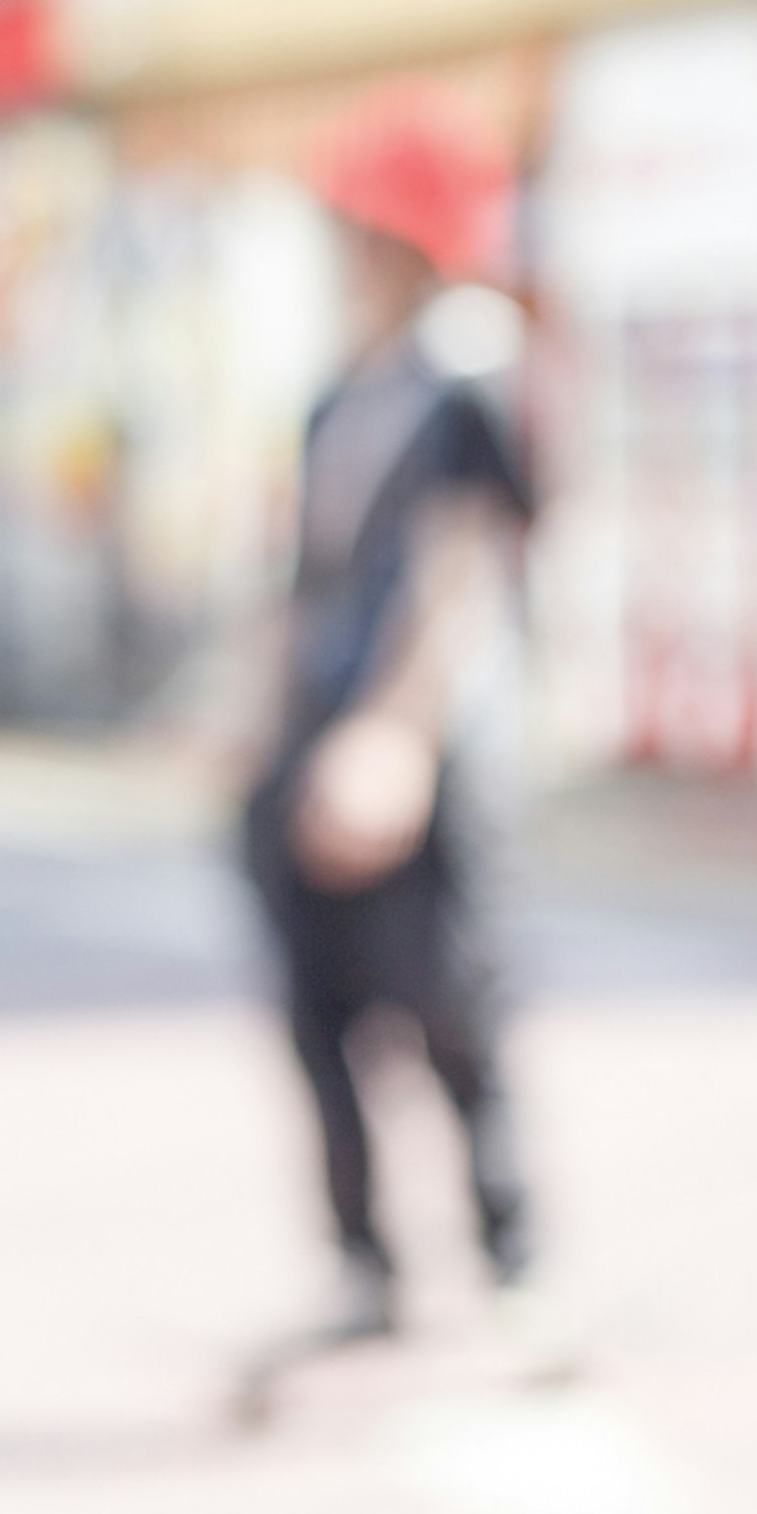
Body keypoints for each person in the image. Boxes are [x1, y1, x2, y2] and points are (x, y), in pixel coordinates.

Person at [231, 85, 540, 1399]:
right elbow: (301, 584)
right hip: (311, 740)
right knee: (316, 1008)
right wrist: (253, 722)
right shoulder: (334, 396)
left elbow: (456, 574)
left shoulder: (465, 389)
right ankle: (365, 1261)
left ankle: (514, 1260)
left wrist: (396, 737)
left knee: (449, 1008)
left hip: (409, 749)